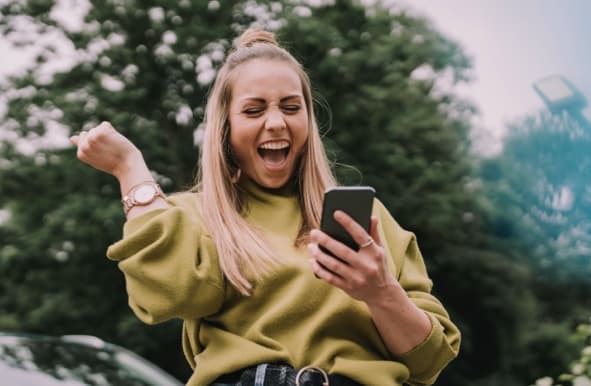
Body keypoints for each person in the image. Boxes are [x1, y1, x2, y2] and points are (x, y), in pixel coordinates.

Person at [70, 28, 460, 386]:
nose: (276, 123)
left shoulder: (366, 219)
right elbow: (169, 296)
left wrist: (380, 292)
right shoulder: (195, 215)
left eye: (291, 108)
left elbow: (429, 360)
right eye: (254, 111)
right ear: (225, 128)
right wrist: (129, 168)